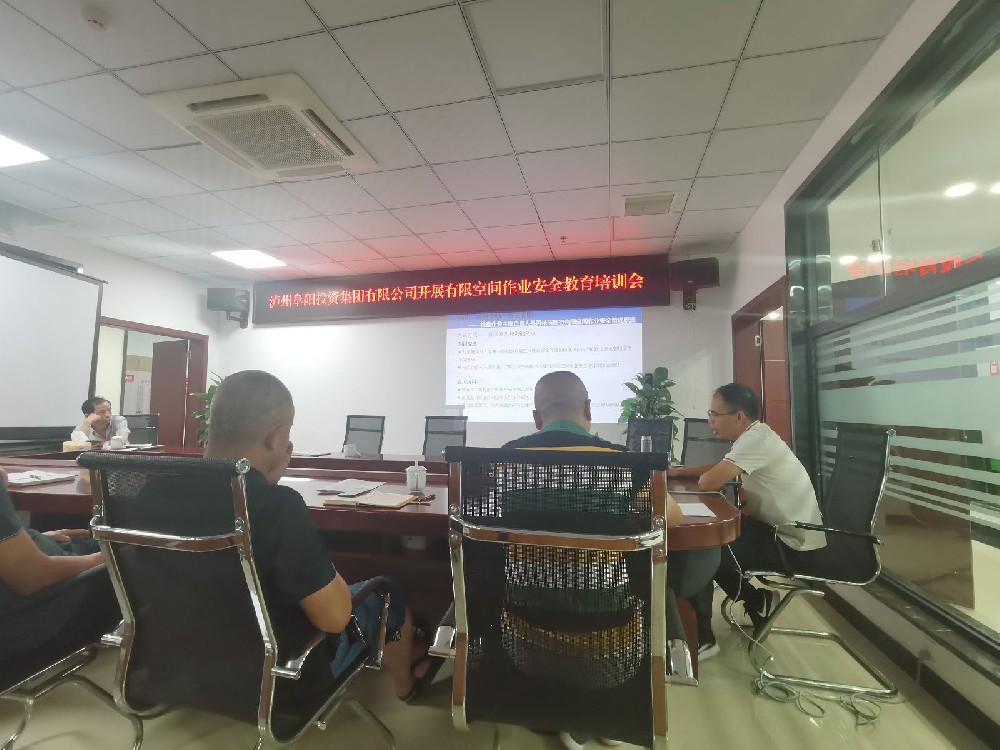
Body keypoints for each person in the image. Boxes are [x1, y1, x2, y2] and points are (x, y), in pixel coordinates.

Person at [137, 370, 434, 700]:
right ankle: (406, 687)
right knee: (387, 588)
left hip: (180, 665)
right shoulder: (277, 506)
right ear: (276, 436)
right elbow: (335, 619)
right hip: (280, 677)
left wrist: (263, 483)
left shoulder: (152, 493)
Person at [503, 371, 718, 750]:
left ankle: (564, 711)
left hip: (521, 646)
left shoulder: (500, 463)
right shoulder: (625, 464)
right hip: (610, 652)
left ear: (536, 418)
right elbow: (672, 518)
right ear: (589, 410)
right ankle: (594, 717)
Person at [668, 383, 826, 640]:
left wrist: (692, 475)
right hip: (776, 531)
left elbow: (709, 482)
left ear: (739, 416)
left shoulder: (756, 440)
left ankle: (702, 639)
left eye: (714, 414)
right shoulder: (755, 436)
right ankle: (756, 601)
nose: (710, 421)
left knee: (702, 550)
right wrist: (680, 473)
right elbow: (720, 467)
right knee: (710, 543)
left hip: (791, 544)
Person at [0, 468, 120, 662]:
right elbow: (34, 577)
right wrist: (117, 555)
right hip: (31, 614)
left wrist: (32, 538)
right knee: (152, 557)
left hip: (44, 564)